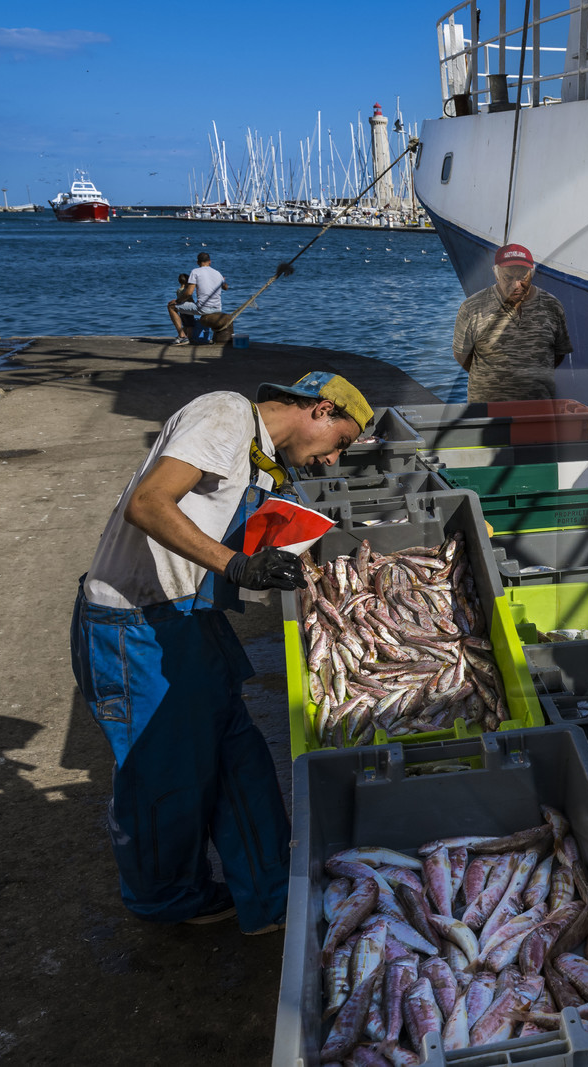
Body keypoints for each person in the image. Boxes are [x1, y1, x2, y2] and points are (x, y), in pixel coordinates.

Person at [70, 371, 372, 935]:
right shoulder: (226, 414)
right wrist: (236, 564)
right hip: (133, 624)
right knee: (164, 774)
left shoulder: (266, 462)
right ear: (321, 410)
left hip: (191, 618)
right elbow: (148, 502)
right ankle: (166, 900)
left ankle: (272, 898)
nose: (334, 462)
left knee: (241, 759)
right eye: (342, 443)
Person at [452, 244, 572, 402]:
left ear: (531, 274)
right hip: (486, 411)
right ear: (496, 274)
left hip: (539, 409)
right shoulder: (472, 308)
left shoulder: (552, 305)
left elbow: (558, 354)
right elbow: (461, 355)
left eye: (522, 277)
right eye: (508, 277)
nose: (517, 285)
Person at [188, 252, 228, 316]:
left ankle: (182, 326)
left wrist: (178, 301)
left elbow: (189, 293)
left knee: (172, 307)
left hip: (203, 309)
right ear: (210, 262)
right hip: (217, 309)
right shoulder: (217, 273)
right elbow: (225, 288)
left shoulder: (195, 271)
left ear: (197, 262)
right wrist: (223, 281)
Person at [167, 272, 197, 345]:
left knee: (185, 324)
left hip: (181, 310)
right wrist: (194, 303)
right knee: (190, 325)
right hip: (187, 309)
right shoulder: (186, 290)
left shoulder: (178, 290)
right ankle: (190, 338)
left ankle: (184, 336)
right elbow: (189, 299)